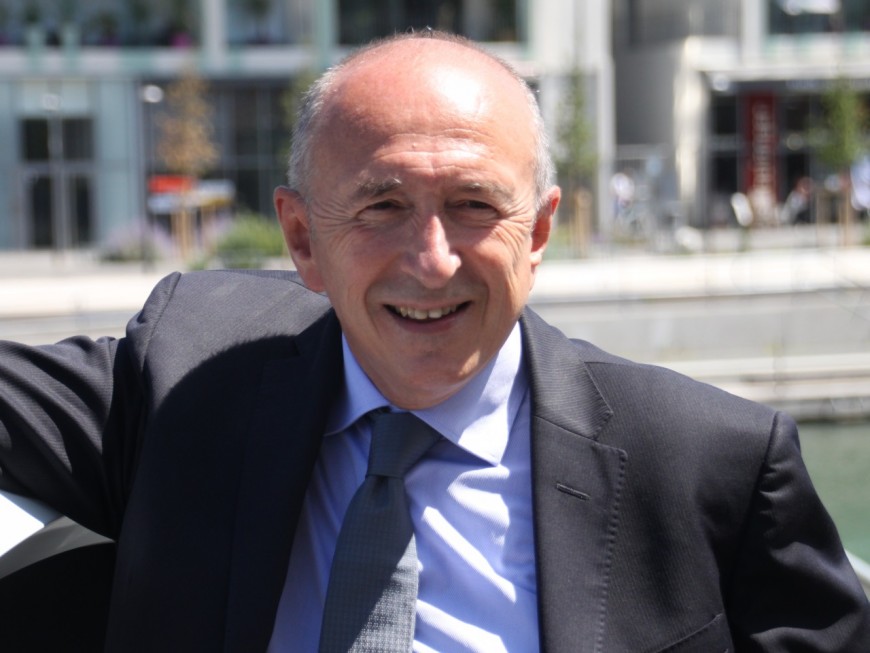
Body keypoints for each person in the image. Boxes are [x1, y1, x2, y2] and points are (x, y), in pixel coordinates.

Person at [1, 31, 869, 652]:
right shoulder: (189, 371)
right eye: (382, 207)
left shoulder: (712, 463)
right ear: (302, 239)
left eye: (474, 205)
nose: (433, 260)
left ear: (538, 232)